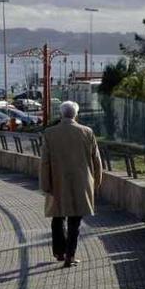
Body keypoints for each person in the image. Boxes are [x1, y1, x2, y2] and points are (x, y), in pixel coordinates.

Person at [39, 101, 102, 267]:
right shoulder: (87, 132)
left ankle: (59, 252)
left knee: (57, 218)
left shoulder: (50, 133)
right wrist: (96, 182)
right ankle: (70, 256)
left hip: (57, 183)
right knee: (75, 221)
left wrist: (45, 184)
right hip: (81, 183)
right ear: (76, 114)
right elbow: (96, 160)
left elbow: (45, 162)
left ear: (61, 114)